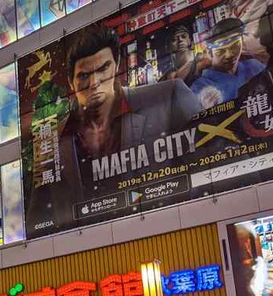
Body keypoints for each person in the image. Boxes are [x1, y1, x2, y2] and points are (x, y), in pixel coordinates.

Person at [25, 23, 201, 233]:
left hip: (169, 234)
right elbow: (37, 220)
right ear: (71, 83)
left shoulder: (169, 96)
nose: (94, 82)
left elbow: (211, 165)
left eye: (102, 69)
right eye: (83, 75)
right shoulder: (50, 140)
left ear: (116, 66)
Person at [191, 18, 266, 108]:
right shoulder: (200, 87)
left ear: (242, 41)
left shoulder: (255, 66)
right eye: (221, 51)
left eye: (235, 46)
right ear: (209, 52)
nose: (229, 55)